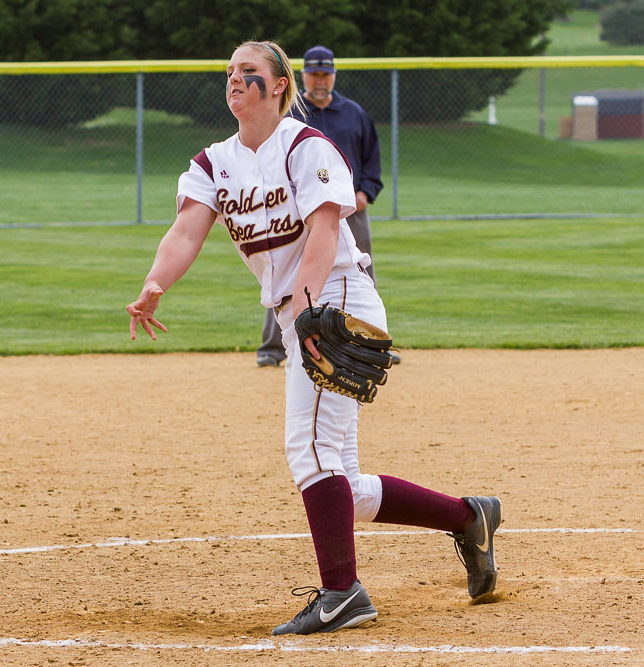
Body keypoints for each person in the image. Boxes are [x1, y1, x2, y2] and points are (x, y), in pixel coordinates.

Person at [126, 40, 501, 635]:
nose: (235, 81)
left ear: (279, 86)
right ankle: (467, 516)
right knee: (340, 487)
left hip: (336, 300)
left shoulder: (306, 147)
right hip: (296, 310)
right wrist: (153, 284)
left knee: (310, 451)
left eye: (249, 73)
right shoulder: (212, 162)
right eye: (229, 73)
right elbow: (185, 232)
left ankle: (342, 593)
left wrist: (305, 315)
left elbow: (326, 231)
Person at [256, 45, 395, 367]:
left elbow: (371, 159)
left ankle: (370, 344)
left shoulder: (353, 113)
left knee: (360, 274)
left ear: (333, 75)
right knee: (283, 276)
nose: (320, 80)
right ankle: (272, 348)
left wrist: (365, 192)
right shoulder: (289, 112)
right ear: (303, 75)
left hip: (349, 210)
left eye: (326, 74)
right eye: (314, 73)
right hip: (296, 212)